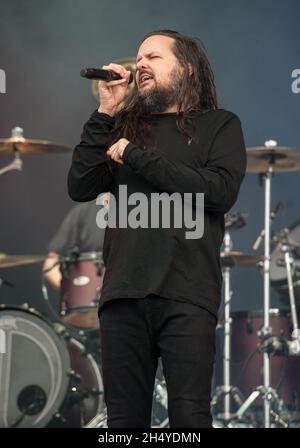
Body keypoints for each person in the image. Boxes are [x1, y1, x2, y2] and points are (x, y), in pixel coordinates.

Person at [67, 29, 247, 428]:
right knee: (124, 422)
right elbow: (80, 186)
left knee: (189, 418)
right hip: (123, 294)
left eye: (153, 56)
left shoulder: (219, 125)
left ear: (185, 67)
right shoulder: (124, 127)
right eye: (138, 57)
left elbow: (217, 191)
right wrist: (106, 113)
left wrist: (134, 156)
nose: (141, 64)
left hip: (187, 292)